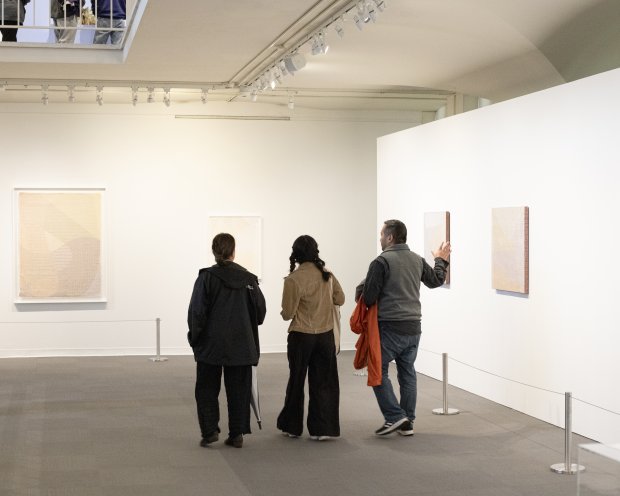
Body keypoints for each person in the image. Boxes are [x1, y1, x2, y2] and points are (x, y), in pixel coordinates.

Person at [360, 219, 450, 436]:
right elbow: (436, 280)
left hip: (389, 327)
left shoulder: (381, 262)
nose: (380, 238)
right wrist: (441, 260)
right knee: (407, 372)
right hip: (413, 327)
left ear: (390, 237)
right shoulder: (417, 260)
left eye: (382, 234)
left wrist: (362, 289)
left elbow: (369, 297)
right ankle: (407, 421)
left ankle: (394, 416)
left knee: (378, 371)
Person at [187, 233, 266, 449]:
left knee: (206, 388)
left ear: (214, 252)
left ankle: (210, 430)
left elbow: (197, 312)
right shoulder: (249, 279)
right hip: (241, 344)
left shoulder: (206, 278)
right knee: (239, 389)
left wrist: (194, 338)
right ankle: (237, 433)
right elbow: (260, 313)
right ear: (234, 251)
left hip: (211, 344)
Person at [277, 235, 345, 440]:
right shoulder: (327, 275)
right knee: (324, 382)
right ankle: (323, 428)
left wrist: (287, 311)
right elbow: (340, 298)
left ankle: (292, 426)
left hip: (301, 336)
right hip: (325, 336)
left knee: (296, 381)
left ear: (295, 254)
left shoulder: (293, 279)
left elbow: (288, 313)